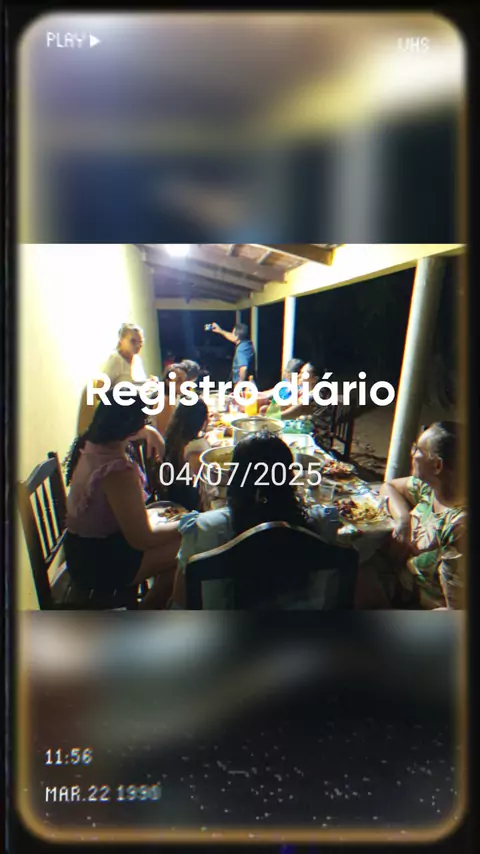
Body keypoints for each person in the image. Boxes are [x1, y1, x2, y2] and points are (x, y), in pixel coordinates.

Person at [169, 432, 354, 609]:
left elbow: (180, 603)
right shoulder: (322, 524)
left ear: (234, 477)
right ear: (289, 478)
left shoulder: (204, 530)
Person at [64, 390, 181, 608]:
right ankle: (147, 613)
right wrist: (187, 524)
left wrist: (149, 431)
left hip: (79, 548)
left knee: (173, 554)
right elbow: (142, 539)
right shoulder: (117, 471)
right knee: (186, 546)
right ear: (130, 426)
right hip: (98, 561)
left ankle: (152, 605)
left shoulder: (91, 441)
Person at [377, 422, 466, 609]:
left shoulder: (460, 528)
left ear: (437, 465)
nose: (412, 454)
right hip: (398, 582)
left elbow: (455, 611)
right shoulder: (429, 488)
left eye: (418, 450)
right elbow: (389, 487)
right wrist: (404, 519)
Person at [160, 398, 209, 511]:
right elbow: (203, 479)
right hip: (190, 504)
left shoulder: (173, 437)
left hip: (174, 494)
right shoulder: (196, 447)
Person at [279, 361, 334, 446]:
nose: (299, 376)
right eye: (300, 373)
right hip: (302, 431)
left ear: (315, 379)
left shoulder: (318, 395)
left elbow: (295, 412)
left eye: (303, 373)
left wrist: (270, 416)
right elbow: (288, 405)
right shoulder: (305, 390)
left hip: (316, 441)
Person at [154, 363, 188, 439]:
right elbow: (163, 434)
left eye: (185, 380)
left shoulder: (176, 398)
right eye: (179, 380)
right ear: (167, 382)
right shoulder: (164, 401)